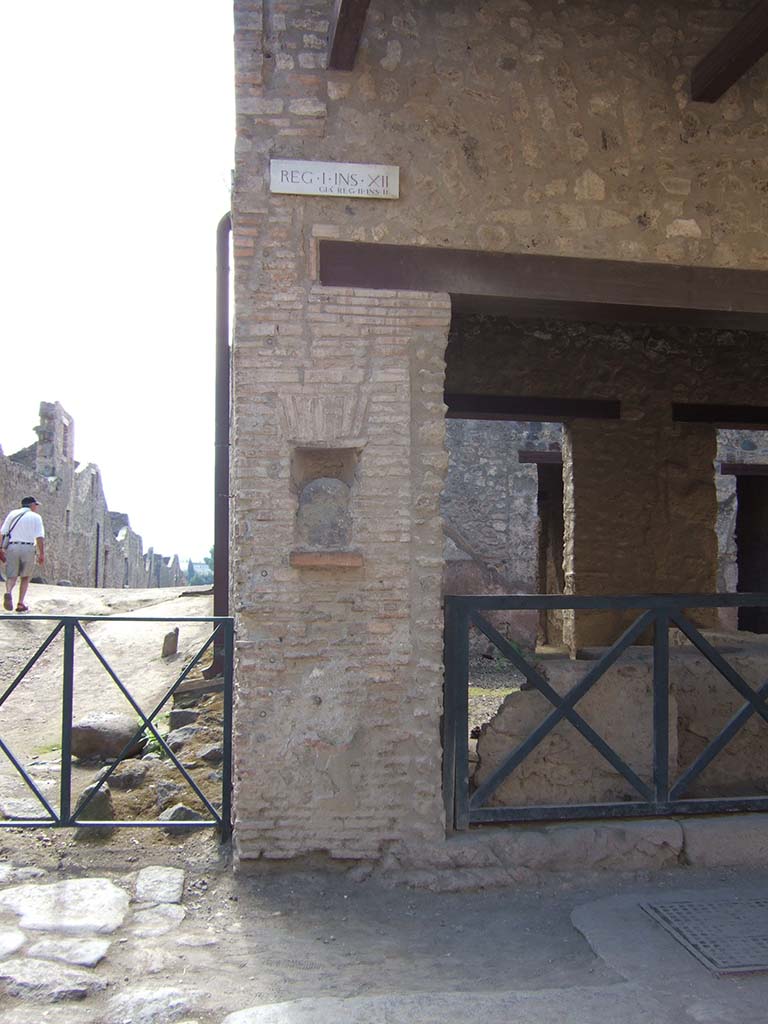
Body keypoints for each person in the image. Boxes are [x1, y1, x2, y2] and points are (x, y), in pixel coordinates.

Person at [1, 497, 45, 613]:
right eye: (35, 505)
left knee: (11, 576)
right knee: (25, 577)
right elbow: (39, 537)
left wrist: (1, 548)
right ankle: (20, 603)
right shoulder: (36, 517)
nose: (36, 507)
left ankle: (8, 592)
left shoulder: (12, 514)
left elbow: (3, 532)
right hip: (28, 547)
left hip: (12, 547)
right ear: (31, 505)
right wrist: (41, 554)